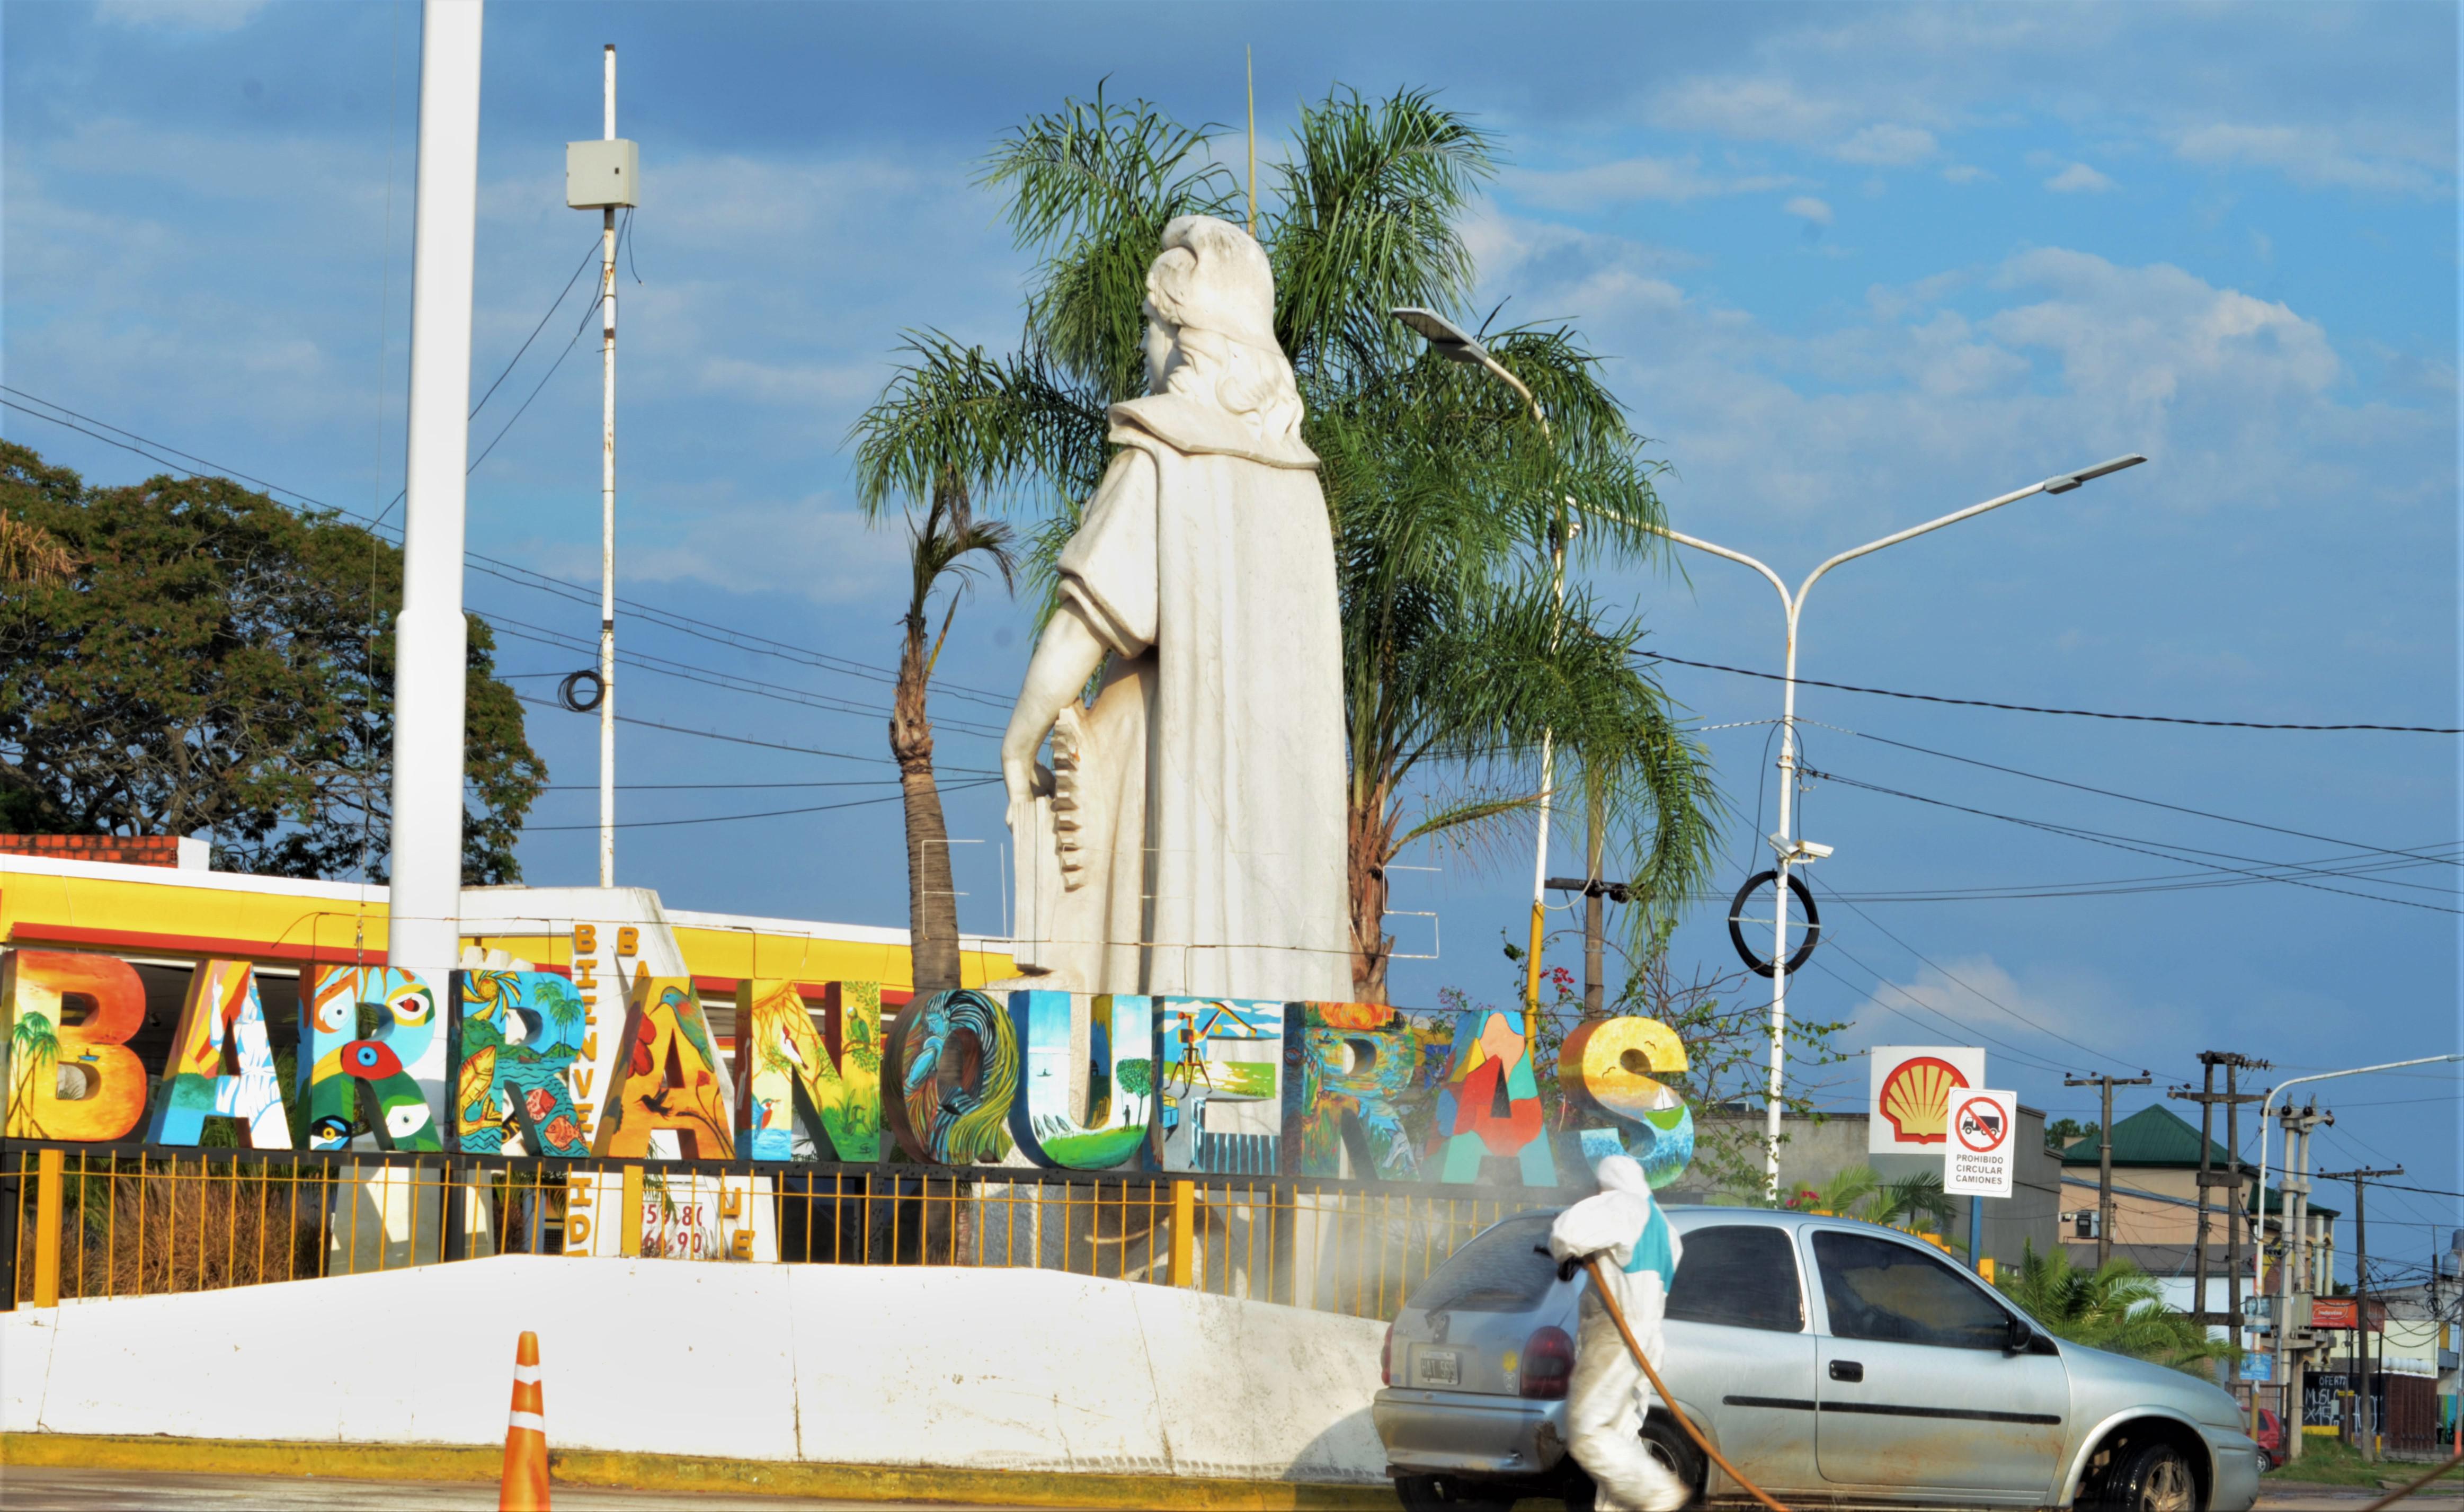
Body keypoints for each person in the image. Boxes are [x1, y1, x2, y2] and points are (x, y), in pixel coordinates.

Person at [999, 215, 1351, 1003]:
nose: (1145, 349)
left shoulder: (1164, 457)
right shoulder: (1300, 487)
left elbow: (1084, 624)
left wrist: (1019, 739)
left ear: (1186, 337)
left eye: (1151, 328)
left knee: (1119, 1001)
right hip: (1278, 869)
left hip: (1160, 798)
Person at [1548, 1154, 1691, 1511]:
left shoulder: (1620, 1204)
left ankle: (1658, 1493)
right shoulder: (1665, 1228)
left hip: (1616, 1336)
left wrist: (1566, 1251)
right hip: (1647, 1341)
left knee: (1587, 1434)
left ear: (1606, 1182)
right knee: (1621, 1437)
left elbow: (1565, 1234)